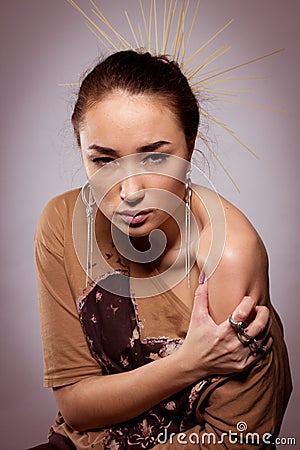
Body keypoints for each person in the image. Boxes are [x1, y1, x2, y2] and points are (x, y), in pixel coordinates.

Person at [30, 50, 291, 450]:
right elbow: (77, 408)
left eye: (155, 156)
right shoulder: (63, 222)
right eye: (103, 160)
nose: (130, 193)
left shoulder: (226, 254)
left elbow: (235, 439)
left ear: (190, 144)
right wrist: (192, 362)